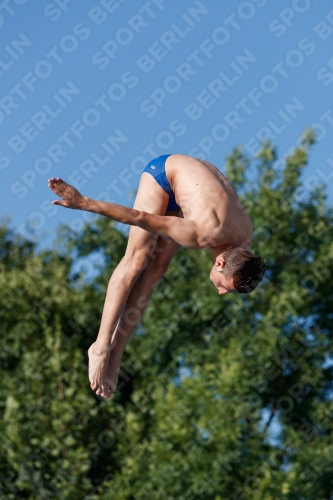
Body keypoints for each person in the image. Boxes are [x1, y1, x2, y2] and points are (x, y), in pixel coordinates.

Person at [48, 154, 265, 399]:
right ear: (220, 262)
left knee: (157, 270)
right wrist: (84, 202)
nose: (221, 291)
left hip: (193, 190)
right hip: (164, 174)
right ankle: (99, 346)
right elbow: (139, 217)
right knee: (137, 258)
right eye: (225, 286)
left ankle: (116, 354)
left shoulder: (244, 238)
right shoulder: (199, 234)